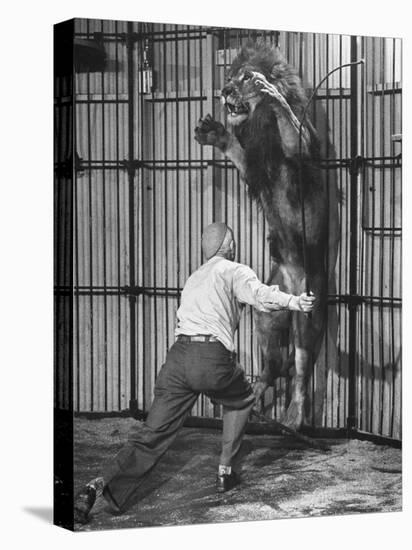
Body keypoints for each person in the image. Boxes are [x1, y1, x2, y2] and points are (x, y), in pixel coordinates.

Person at [74, 222, 315, 524]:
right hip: (211, 359)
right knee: (240, 399)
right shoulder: (234, 270)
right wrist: (295, 302)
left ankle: (96, 486)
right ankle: (226, 472)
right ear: (230, 244)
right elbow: (259, 295)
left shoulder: (194, 278)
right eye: (233, 242)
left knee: (152, 434)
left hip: (177, 360)